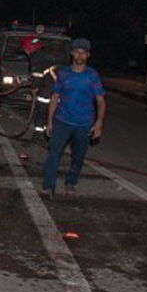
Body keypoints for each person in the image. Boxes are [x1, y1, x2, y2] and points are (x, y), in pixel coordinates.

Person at [41, 38, 106, 198]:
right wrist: (50, 120)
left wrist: (98, 123)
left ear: (88, 55)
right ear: (72, 54)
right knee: (54, 152)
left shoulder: (92, 76)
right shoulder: (63, 74)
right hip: (62, 121)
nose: (79, 54)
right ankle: (49, 185)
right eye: (77, 51)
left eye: (83, 52)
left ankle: (71, 182)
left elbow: (100, 101)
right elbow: (55, 97)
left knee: (78, 157)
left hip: (83, 124)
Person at [21, 36, 58, 143]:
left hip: (47, 89)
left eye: (25, 48)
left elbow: (37, 75)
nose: (25, 51)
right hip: (54, 88)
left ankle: (39, 136)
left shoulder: (35, 57)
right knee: (49, 112)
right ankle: (44, 135)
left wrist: (34, 87)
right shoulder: (45, 56)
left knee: (41, 111)